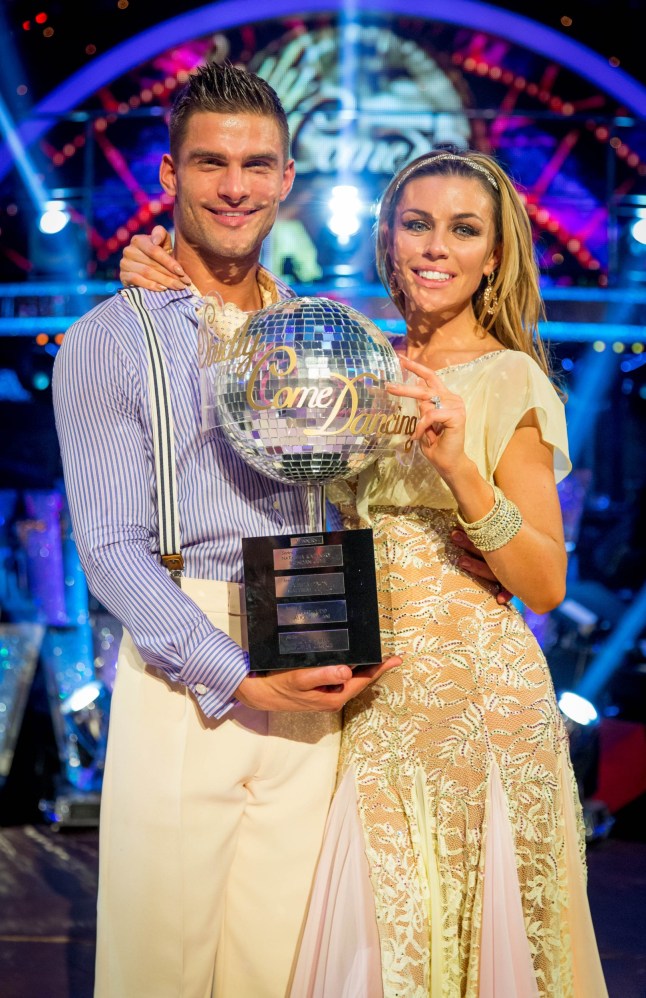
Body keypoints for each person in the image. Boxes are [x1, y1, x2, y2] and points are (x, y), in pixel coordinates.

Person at [118, 149, 608, 995]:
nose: (435, 247)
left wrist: (461, 470)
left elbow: (546, 584)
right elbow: (250, 339)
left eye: (464, 230)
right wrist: (171, 280)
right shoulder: (358, 365)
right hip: (367, 701)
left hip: (474, 714)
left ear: (494, 255)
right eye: (417, 224)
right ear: (387, 238)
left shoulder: (509, 376)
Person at [53, 62, 400, 998]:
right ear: (168, 177)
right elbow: (111, 550)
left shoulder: (324, 333)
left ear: (289, 178)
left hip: (306, 645)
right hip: (183, 659)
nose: (235, 187)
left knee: (284, 965)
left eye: (257, 165)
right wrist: (239, 672)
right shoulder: (108, 339)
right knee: (161, 968)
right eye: (210, 163)